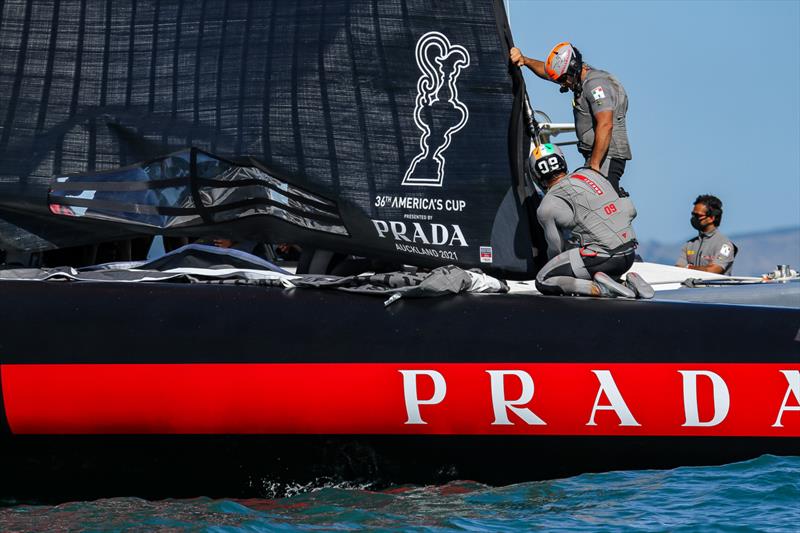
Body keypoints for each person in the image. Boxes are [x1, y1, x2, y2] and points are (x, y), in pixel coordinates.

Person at [531, 143, 653, 299]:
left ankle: (598, 288)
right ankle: (626, 283)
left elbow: (556, 251)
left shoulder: (546, 206)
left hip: (603, 259)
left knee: (543, 279)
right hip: (629, 255)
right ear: (562, 161)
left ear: (536, 176)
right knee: (590, 257)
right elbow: (630, 211)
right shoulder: (591, 174)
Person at [510, 42, 632, 195]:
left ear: (573, 68)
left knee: (601, 203)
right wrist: (525, 60)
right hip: (597, 157)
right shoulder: (577, 78)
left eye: (563, 80)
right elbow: (549, 73)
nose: (562, 85)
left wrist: (594, 167)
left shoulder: (596, 85)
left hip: (606, 157)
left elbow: (606, 124)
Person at [676, 195, 736, 275]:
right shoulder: (689, 244)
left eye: (698, 216)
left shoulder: (725, 245)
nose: (693, 218)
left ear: (711, 218)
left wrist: (688, 267)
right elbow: (677, 269)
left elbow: (714, 271)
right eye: (693, 214)